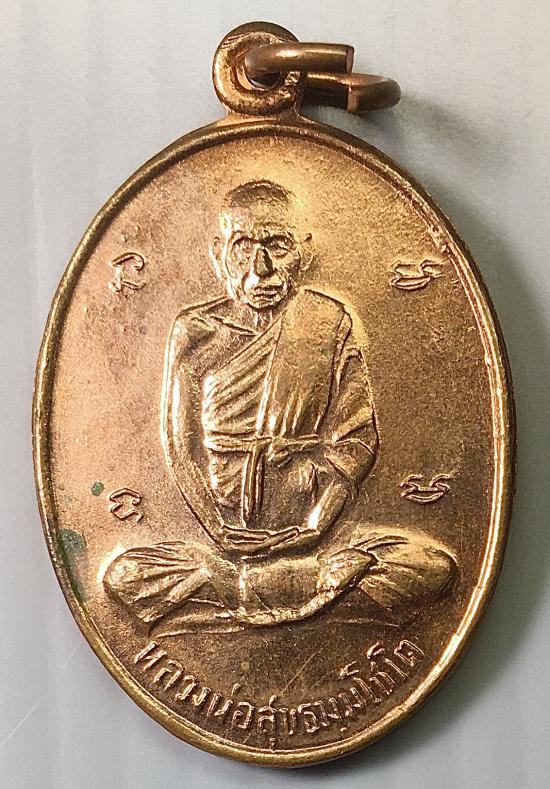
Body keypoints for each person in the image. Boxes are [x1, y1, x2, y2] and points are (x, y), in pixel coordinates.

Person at [104, 180, 457, 627]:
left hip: (313, 531)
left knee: (431, 569)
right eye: (243, 247)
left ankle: (248, 590)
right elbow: (180, 444)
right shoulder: (196, 332)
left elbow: (356, 441)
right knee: (126, 575)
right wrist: (217, 528)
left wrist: (316, 526)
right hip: (224, 539)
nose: (261, 268)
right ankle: (300, 587)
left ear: (303, 252)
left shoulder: (327, 321)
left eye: (277, 245)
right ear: (218, 254)